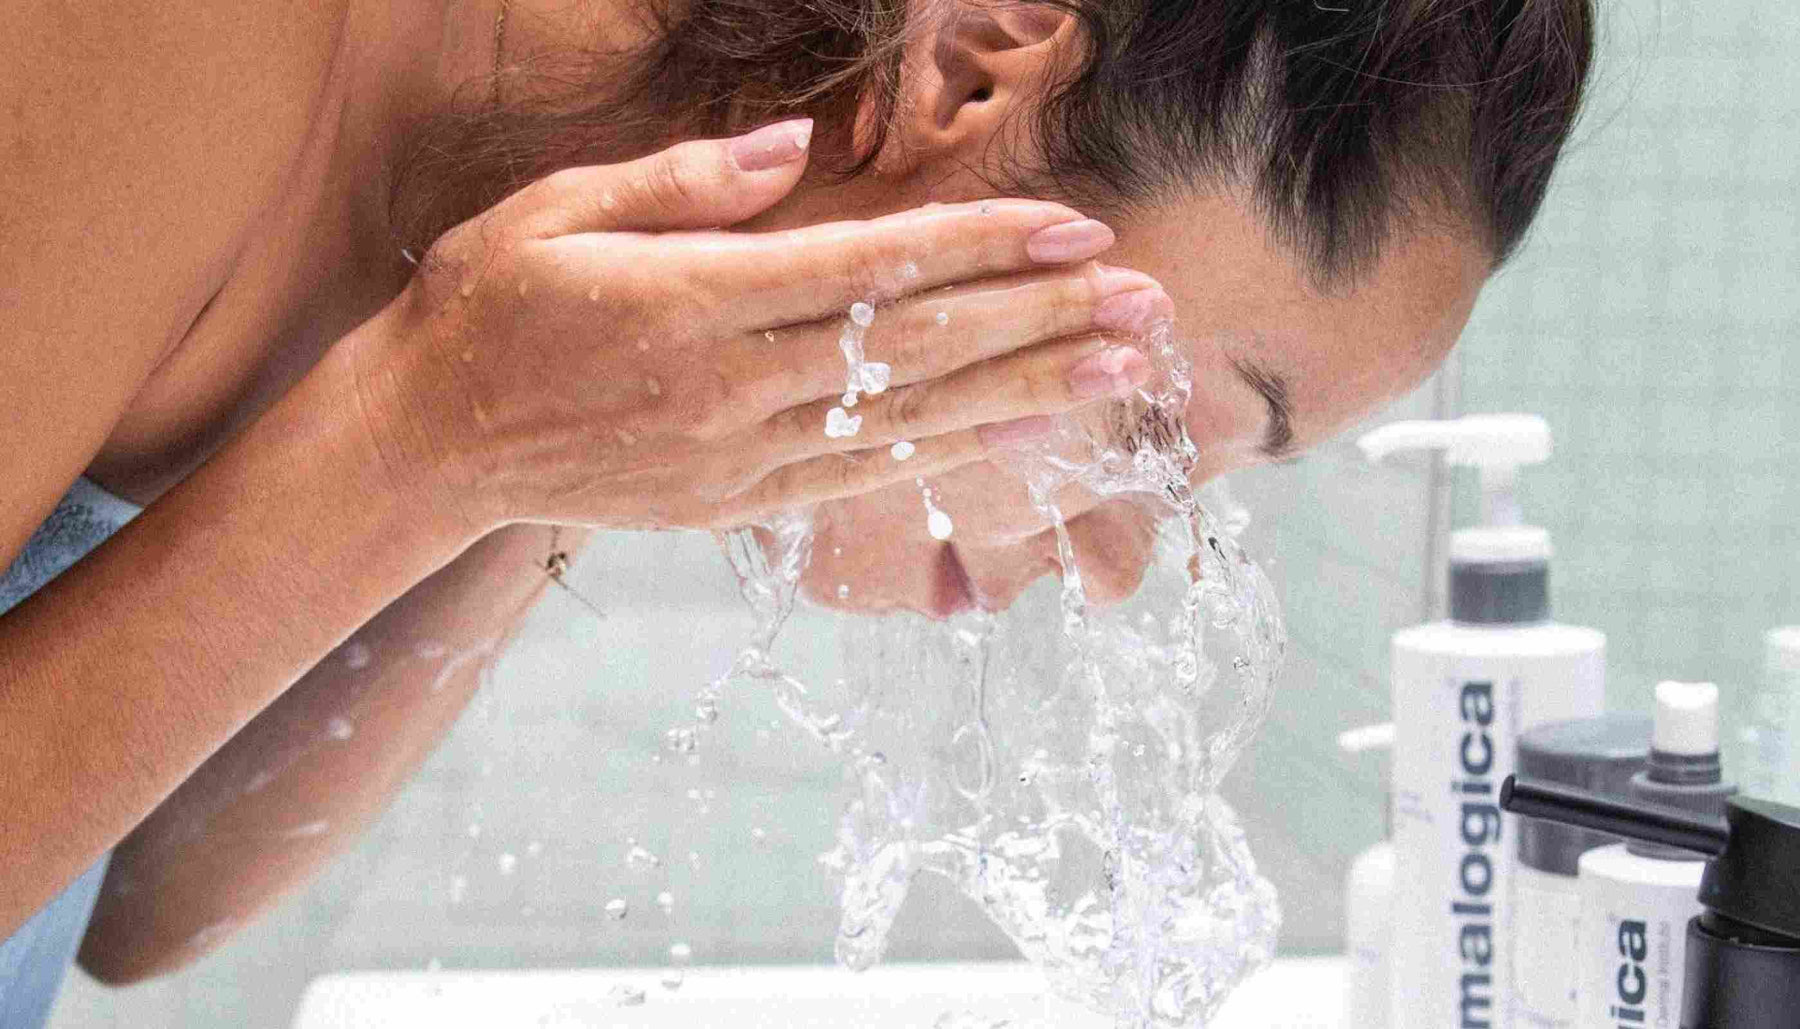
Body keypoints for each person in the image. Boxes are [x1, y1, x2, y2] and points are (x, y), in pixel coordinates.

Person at [0, 0, 1594, 1020]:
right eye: (1157, 424)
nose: (1116, 563)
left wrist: (527, 451)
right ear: (976, 68)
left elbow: (139, 901)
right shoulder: (178, 35)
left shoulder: (488, 284)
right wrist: (434, 431)